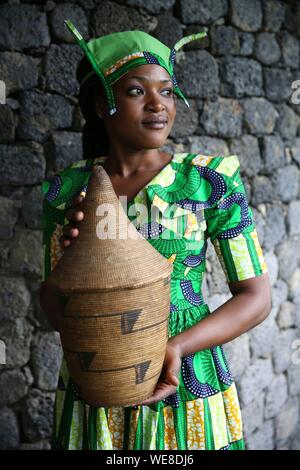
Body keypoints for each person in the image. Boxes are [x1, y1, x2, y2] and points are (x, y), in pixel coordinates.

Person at [40, 21, 272, 450]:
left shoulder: (209, 180)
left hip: (184, 377)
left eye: (166, 91)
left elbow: (256, 297)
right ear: (99, 103)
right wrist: (76, 268)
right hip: (96, 377)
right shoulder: (68, 191)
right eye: (135, 91)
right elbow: (54, 311)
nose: (157, 105)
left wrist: (176, 347)